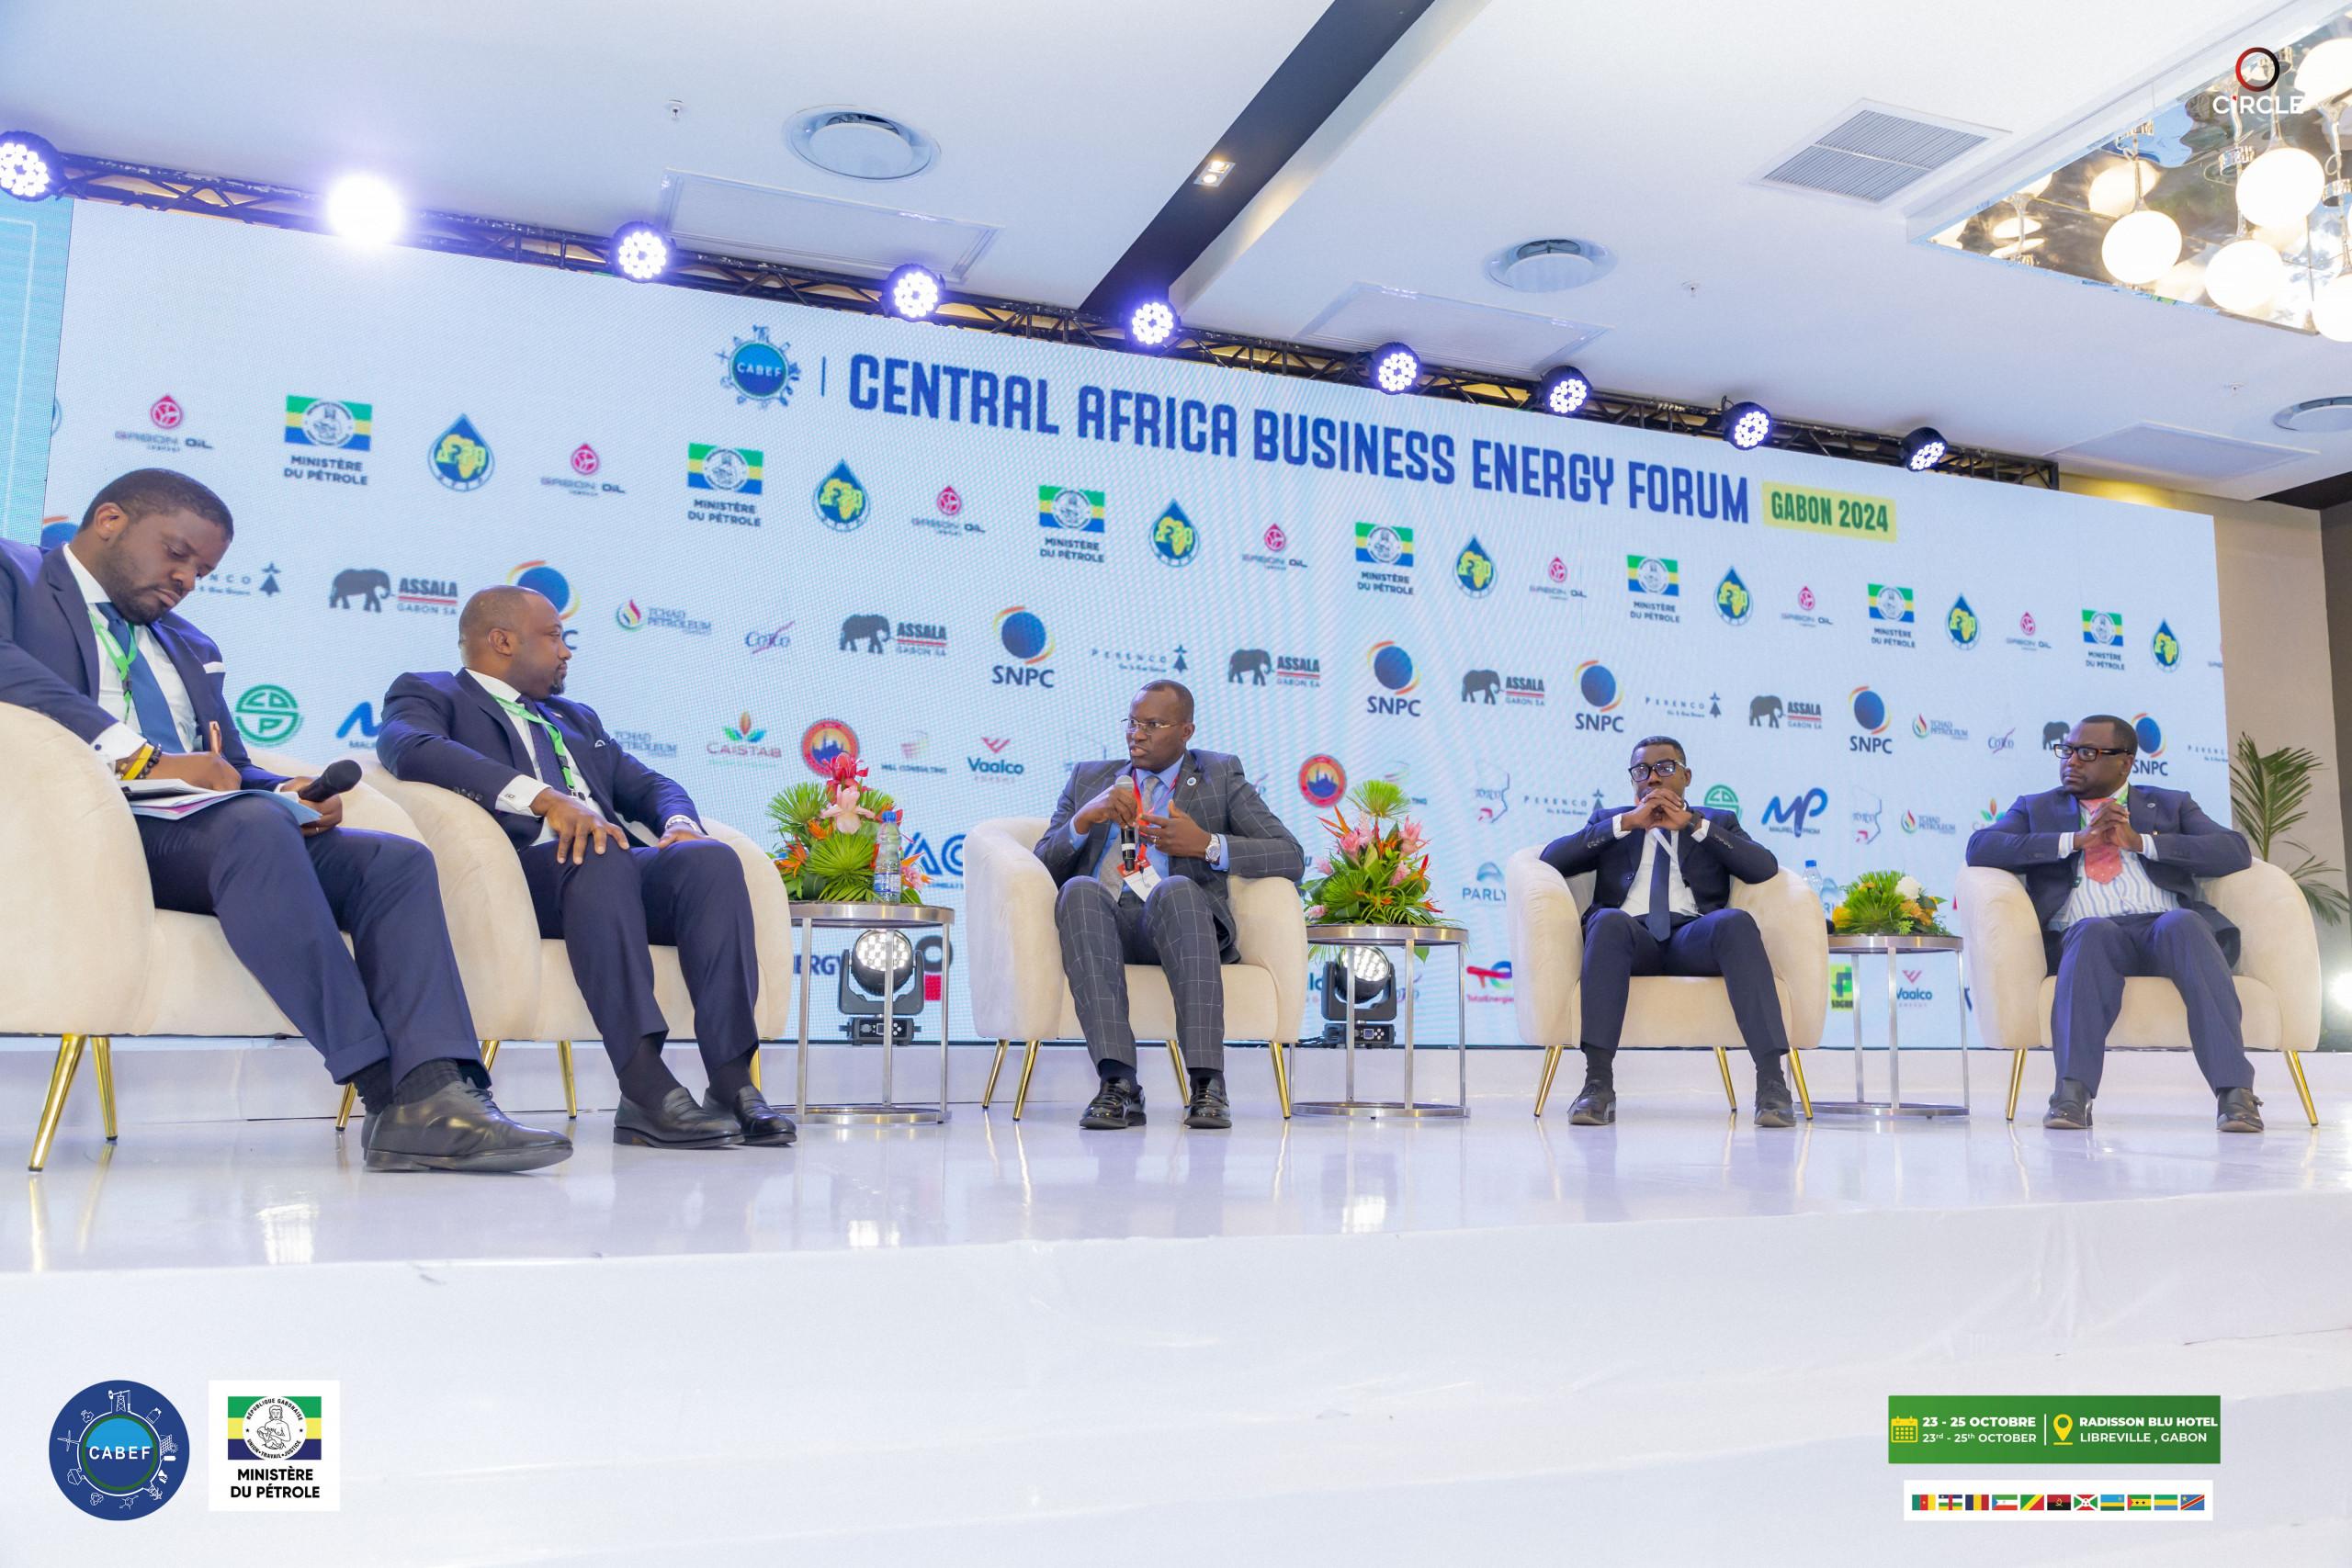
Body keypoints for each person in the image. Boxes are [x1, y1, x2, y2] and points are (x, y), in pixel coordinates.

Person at [0, 468, 569, 1172]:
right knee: (253, 827)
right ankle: (384, 1085)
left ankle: (437, 1092)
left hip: (212, 829)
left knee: (393, 861)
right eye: (177, 554)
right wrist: (143, 757)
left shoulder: (189, 644)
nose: (186, 580)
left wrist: (289, 792)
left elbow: (228, 764)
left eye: (203, 571)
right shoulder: (17, 575)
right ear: (111, 520)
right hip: (92, 825)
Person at [376, 586, 791, 1151]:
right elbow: (411, 747)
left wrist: (680, 824)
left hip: (611, 870)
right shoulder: (432, 692)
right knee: (595, 848)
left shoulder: (574, 717)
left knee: (710, 861)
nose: (566, 651)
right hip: (522, 877)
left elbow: (650, 785)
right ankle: (645, 1086)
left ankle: (731, 1082)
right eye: (554, 636)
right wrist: (544, 798)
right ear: (502, 641)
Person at [1966, 714, 2259, 1132]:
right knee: (2092, 931)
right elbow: (1981, 847)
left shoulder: (2170, 804)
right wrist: (2075, 840)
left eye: (2086, 753)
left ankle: (2236, 1096)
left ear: (2125, 762)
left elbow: (2234, 851)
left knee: (2185, 924)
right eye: (2067, 751)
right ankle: (2071, 1096)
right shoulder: (2036, 808)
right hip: (2089, 932)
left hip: (2163, 928)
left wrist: (2141, 842)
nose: (2071, 761)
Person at [1034, 680, 1304, 1130]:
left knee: (1176, 889)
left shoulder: (1219, 775)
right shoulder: (1089, 779)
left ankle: (1207, 1084)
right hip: (1103, 924)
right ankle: (1118, 1084)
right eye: (1132, 723)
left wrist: (1207, 845)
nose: (1136, 735)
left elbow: (1290, 855)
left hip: (1177, 923)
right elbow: (1041, 865)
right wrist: (1083, 819)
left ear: (1185, 731)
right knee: (1079, 889)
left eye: (1153, 725)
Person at [1539, 735, 1795, 1127]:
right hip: (1631, 939)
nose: (1653, 778)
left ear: (1686, 776)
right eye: (1642, 771)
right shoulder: (1613, 820)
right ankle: (1597, 1085)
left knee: (1735, 922)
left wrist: (1693, 825)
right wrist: (1626, 823)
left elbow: (1763, 867)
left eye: (1664, 767)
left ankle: (1772, 1085)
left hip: (1692, 938)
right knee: (1606, 920)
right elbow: (1552, 859)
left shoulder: (1716, 821)